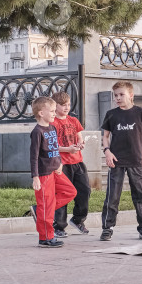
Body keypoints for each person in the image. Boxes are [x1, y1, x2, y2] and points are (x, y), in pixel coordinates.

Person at [100, 81, 142, 241]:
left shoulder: (140, 112)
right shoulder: (111, 114)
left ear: (131, 95)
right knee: (113, 195)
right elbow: (105, 136)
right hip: (116, 160)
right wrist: (107, 152)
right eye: (115, 95)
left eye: (121, 94)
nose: (118, 98)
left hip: (135, 160)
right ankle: (107, 228)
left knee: (139, 194)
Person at [29, 96, 77, 248]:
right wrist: (35, 177)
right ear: (41, 113)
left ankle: (39, 211)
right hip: (43, 175)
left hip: (56, 171)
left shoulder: (52, 127)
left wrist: (60, 162)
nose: (54, 113)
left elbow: (55, 148)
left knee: (71, 192)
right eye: (51, 111)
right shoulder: (37, 132)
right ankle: (45, 238)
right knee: (47, 207)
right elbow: (34, 156)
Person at [50, 92, 91, 237]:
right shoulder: (52, 123)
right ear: (55, 106)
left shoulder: (73, 120)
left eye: (68, 104)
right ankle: (59, 226)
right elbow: (51, 146)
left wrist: (80, 144)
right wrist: (68, 149)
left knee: (85, 191)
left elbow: (79, 136)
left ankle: (78, 220)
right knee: (63, 194)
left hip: (77, 162)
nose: (66, 107)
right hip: (61, 164)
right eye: (63, 105)